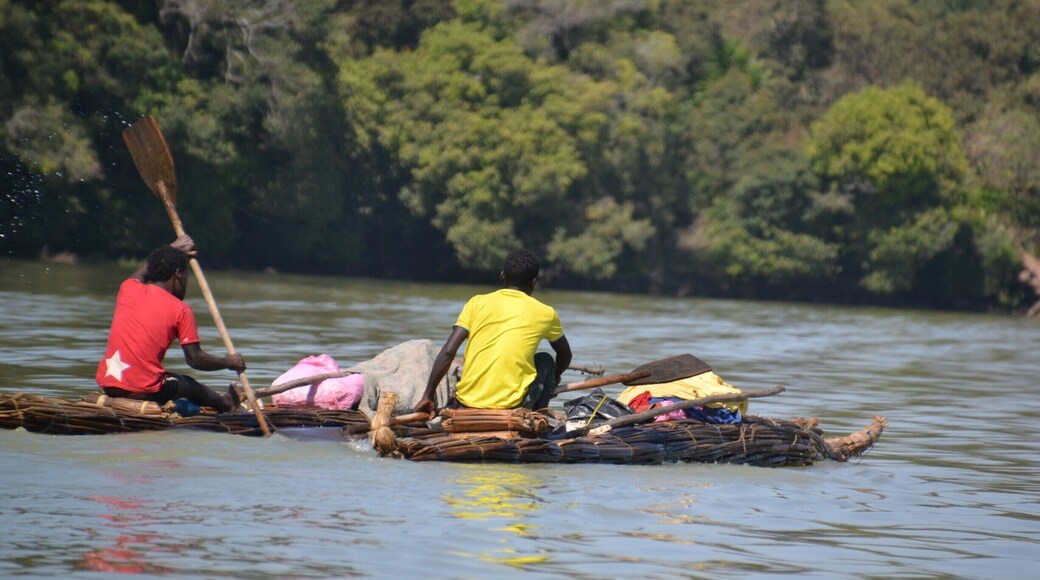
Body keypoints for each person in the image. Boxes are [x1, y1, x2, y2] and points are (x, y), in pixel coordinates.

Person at [95, 235, 245, 413]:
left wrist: (172, 247)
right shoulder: (181, 310)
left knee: (167, 377)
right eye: (186, 277)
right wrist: (229, 361)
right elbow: (195, 360)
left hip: (109, 385)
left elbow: (143, 272)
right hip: (143, 391)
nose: (186, 284)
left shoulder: (128, 289)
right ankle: (226, 403)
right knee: (188, 384)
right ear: (178, 274)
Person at [416, 249, 572, 413]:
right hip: (511, 407)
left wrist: (427, 396)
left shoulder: (476, 303)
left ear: (502, 276)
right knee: (545, 360)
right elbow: (565, 355)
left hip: (467, 403)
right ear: (533, 283)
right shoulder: (546, 313)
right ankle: (540, 416)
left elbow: (448, 352)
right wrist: (554, 380)